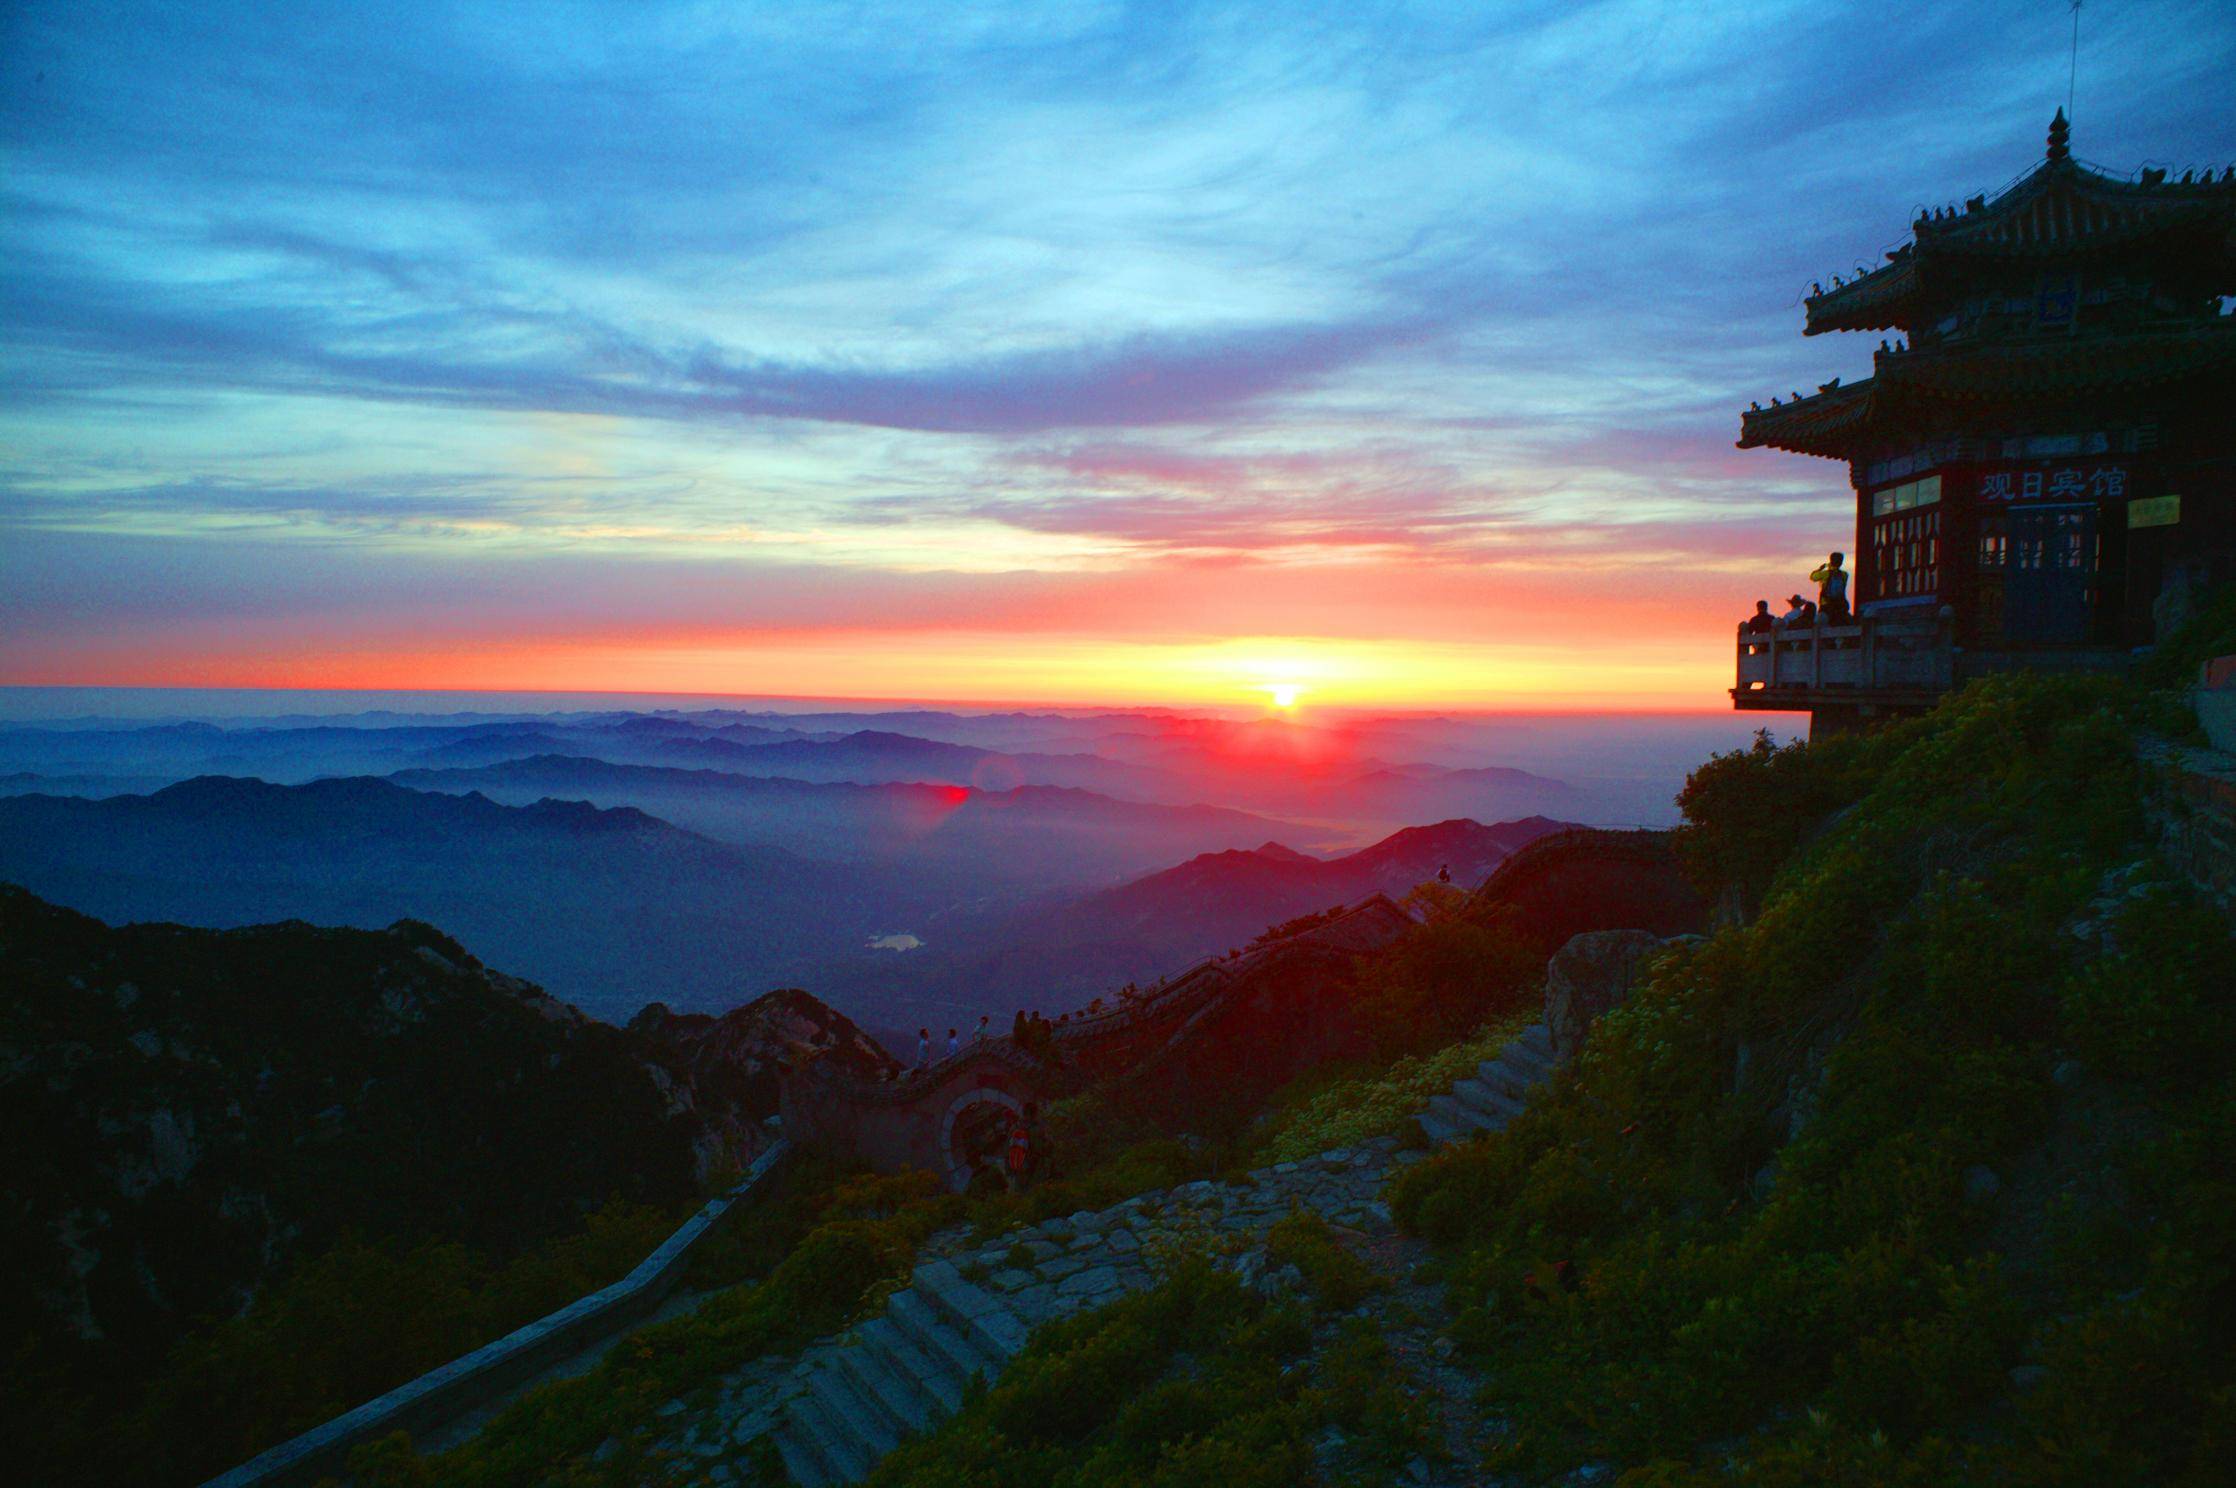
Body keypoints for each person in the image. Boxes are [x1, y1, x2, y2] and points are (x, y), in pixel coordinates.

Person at [1811, 552, 1851, 623]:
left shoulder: (1825, 574)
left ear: (1831, 560)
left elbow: (1813, 577)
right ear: (1841, 562)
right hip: (1839, 605)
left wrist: (1820, 569)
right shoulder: (1844, 575)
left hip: (1826, 604)